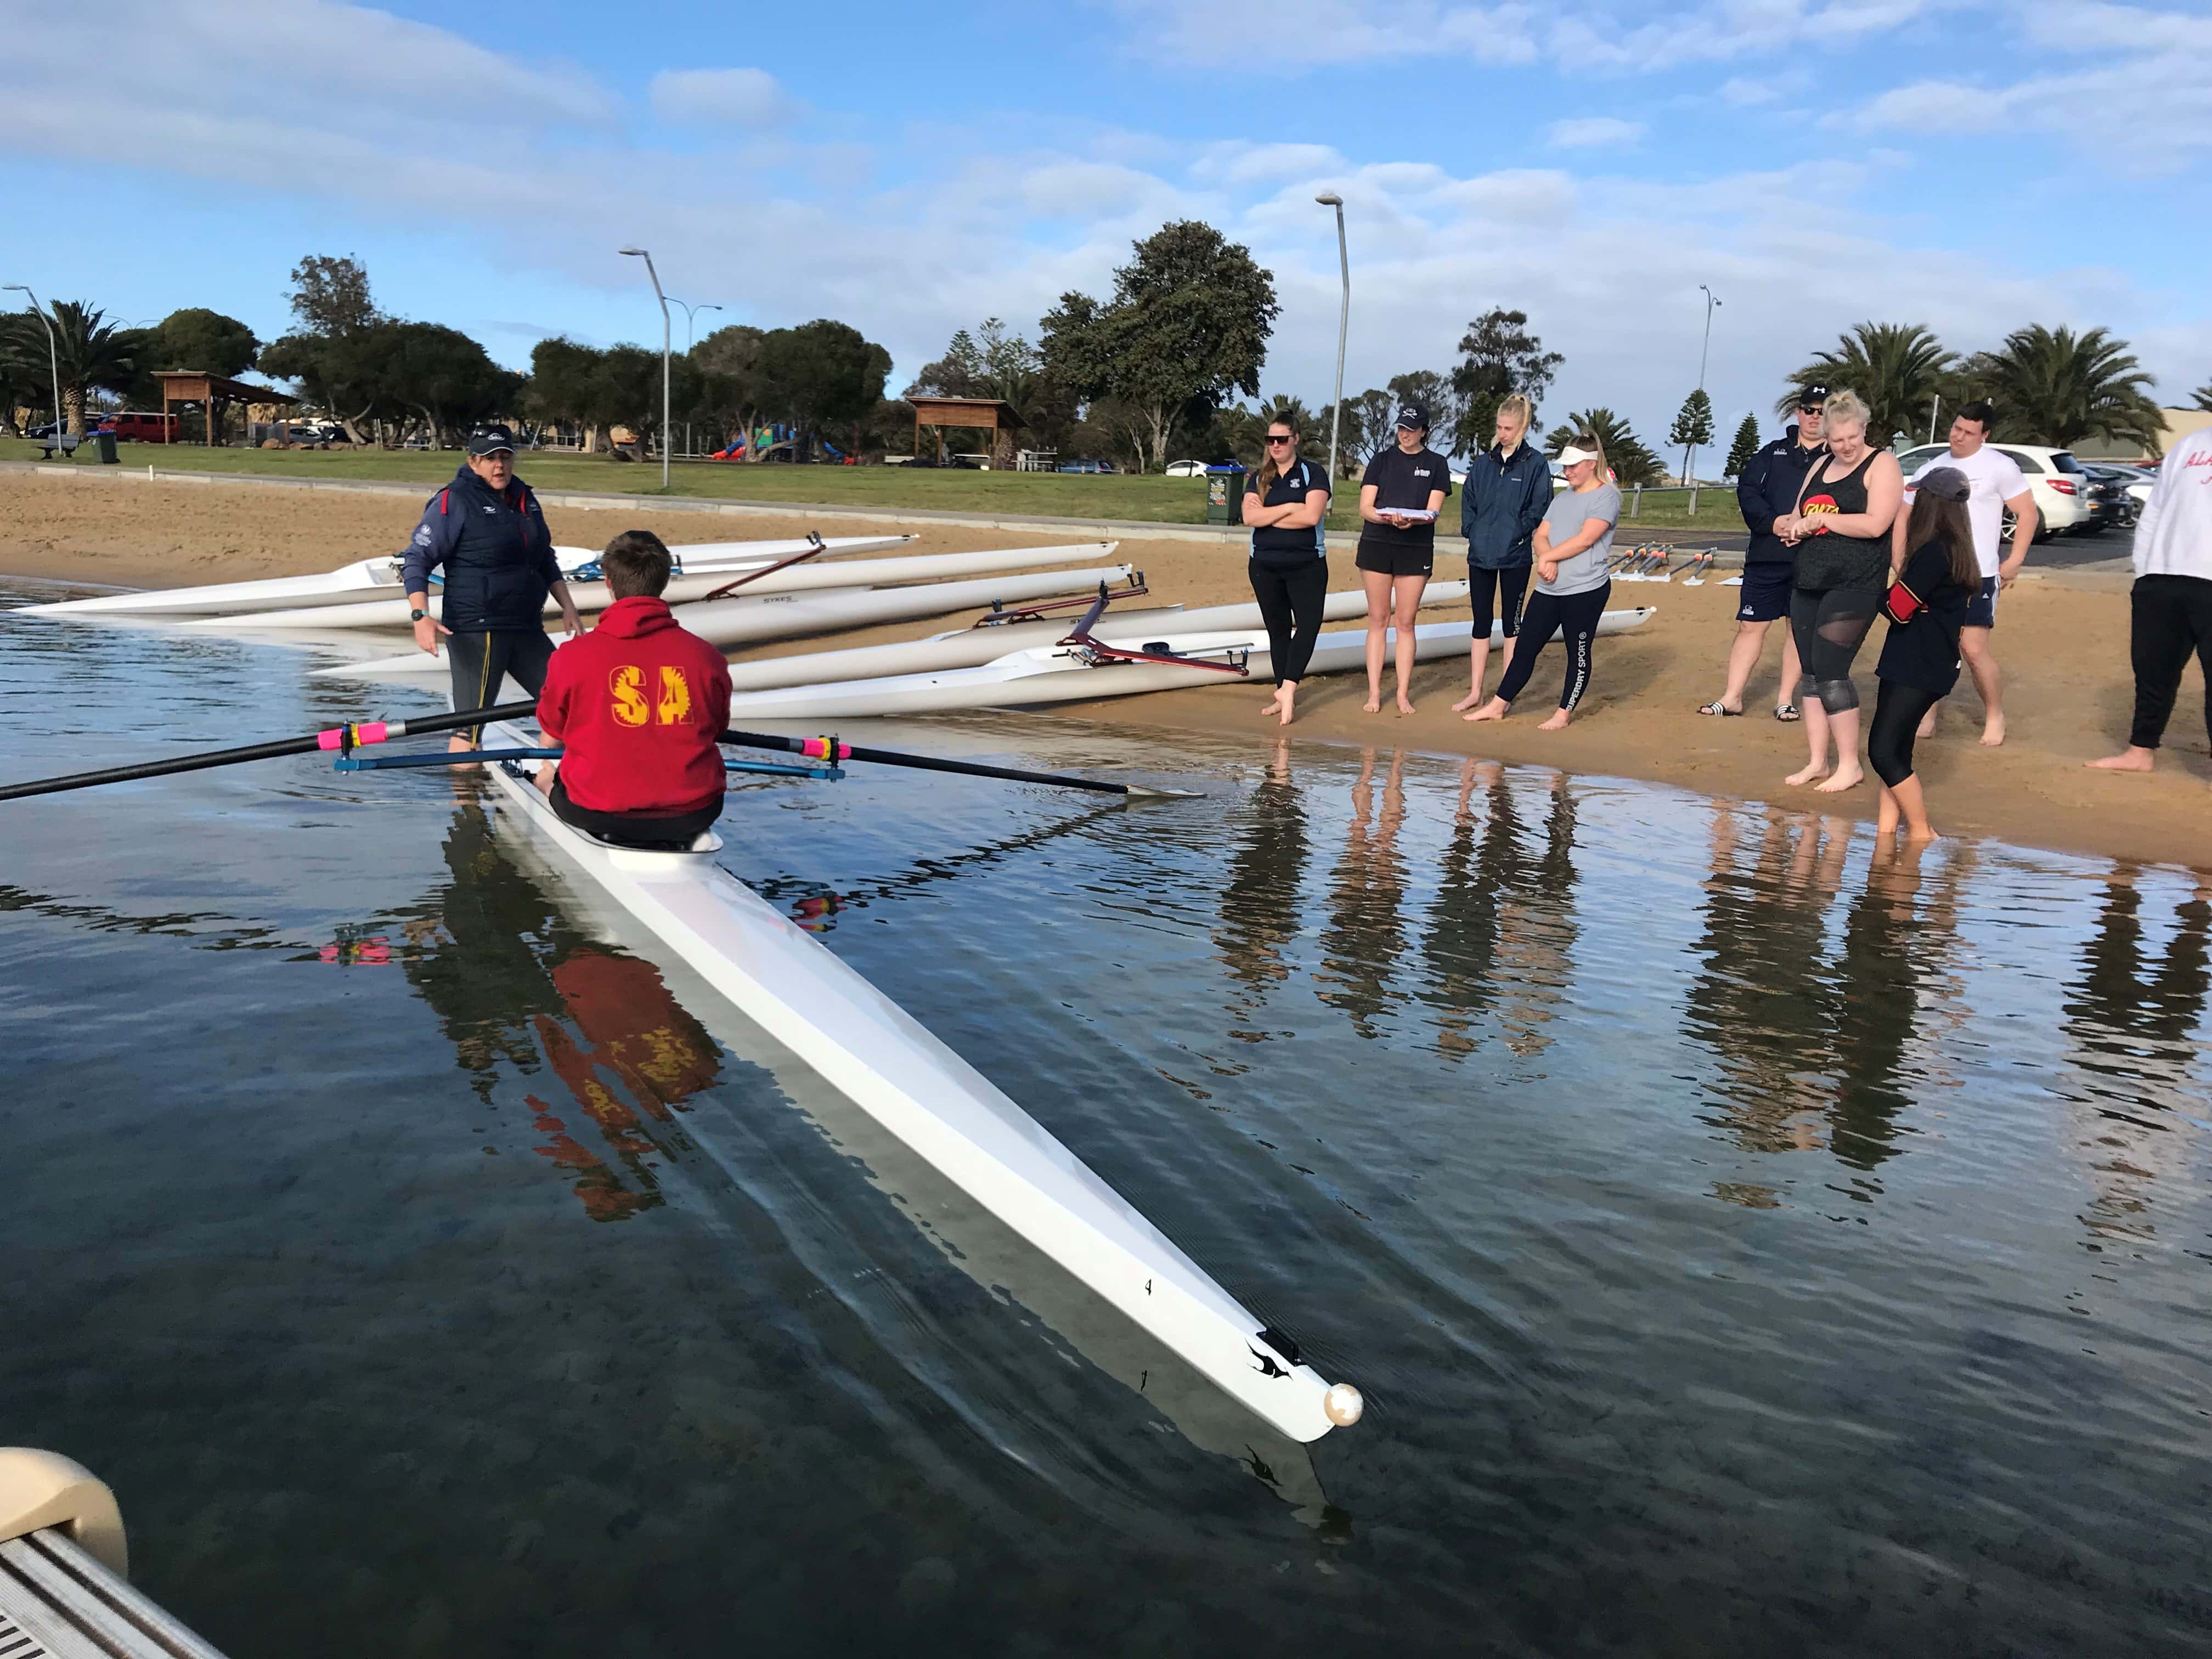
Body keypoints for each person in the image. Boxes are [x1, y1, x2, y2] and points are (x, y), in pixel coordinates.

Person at [532, 531, 733, 850]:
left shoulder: (570, 657)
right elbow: (716, 728)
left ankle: (545, 787)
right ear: (664, 582)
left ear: (608, 583)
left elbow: (552, 733)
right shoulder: (708, 658)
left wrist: (550, 772)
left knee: (546, 771)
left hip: (597, 813)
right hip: (693, 814)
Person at [402, 425, 584, 750]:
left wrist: (568, 606)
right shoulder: (454, 501)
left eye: (505, 458)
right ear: (473, 463)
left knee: (569, 709)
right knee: (469, 731)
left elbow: (544, 557)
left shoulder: (526, 499)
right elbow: (417, 559)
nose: (499, 466)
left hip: (525, 627)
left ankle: (550, 776)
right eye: (489, 459)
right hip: (477, 629)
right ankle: (466, 796)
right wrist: (420, 615)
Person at [1771, 389, 1903, 793]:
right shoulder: (1820, 466)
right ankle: (1817, 761)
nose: (1845, 446)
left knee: (1831, 670)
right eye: (1837, 439)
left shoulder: (1883, 464)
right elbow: (1799, 513)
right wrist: (1790, 528)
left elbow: (1877, 523)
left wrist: (1819, 523)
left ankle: (1850, 764)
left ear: (1864, 429)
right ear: (1825, 436)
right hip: (1809, 578)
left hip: (1856, 581)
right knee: (1809, 675)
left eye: (1852, 437)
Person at [1894, 401, 2036, 746]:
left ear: (1984, 435)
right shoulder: (1932, 468)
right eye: (1956, 428)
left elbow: (2027, 513)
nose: (1958, 436)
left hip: (1979, 573)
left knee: (1972, 648)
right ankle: (1926, 716)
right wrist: (1901, 565)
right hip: (1933, 574)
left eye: (1968, 432)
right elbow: (1903, 517)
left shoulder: (2000, 467)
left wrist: (2015, 559)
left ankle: (1994, 714)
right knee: (1931, 645)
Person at [1463, 432, 1620, 730]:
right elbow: (1541, 534)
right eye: (1566, 466)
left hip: (1585, 589)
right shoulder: (1563, 497)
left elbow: (1586, 539)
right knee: (1525, 647)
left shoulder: (1607, 496)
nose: (1568, 471)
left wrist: (1548, 559)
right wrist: (1546, 557)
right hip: (1550, 588)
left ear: (1592, 463)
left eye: (1574, 466)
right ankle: (1498, 704)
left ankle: (1563, 713)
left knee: (1578, 651)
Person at [2087, 422, 2212, 777]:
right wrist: (2144, 571)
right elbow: (2155, 510)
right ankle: (2140, 751)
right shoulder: (2189, 446)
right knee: (2153, 673)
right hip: (2162, 577)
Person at [1699, 383, 1826, 720]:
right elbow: (1749, 492)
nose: (1815, 417)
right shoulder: (1772, 453)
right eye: (1809, 410)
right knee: (1751, 625)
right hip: (1768, 555)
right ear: (1798, 413)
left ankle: (1785, 700)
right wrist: (1775, 523)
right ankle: (1732, 698)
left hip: (1813, 556)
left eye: (1822, 411)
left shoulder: (1837, 459)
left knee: (1796, 628)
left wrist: (1807, 528)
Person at [1867, 466, 1978, 843]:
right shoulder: (1956, 547)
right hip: (1926, 660)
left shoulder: (1935, 552)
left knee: (1882, 751)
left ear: (1930, 504)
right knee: (1898, 750)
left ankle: (1920, 830)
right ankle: (1886, 834)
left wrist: (1880, 595)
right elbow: (1908, 604)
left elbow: (1898, 607)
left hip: (1916, 662)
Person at [1452, 393, 1551, 713]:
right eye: (1499, 427)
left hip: (1516, 557)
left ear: (1522, 427)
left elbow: (1539, 508)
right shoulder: (1483, 464)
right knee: (1481, 622)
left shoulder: (1536, 464)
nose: (1503, 434)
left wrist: (1518, 532)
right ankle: (1476, 691)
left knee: (1512, 624)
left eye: (1509, 428)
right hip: (1480, 554)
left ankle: (1504, 696)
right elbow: (1468, 500)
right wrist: (1473, 531)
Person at [1356, 405, 1452, 714]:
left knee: (1406, 622)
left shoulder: (1437, 463)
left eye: (1411, 429)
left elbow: (1433, 509)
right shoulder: (1381, 460)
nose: (1405, 434)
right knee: (1378, 619)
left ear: (1424, 430)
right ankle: (1374, 693)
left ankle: (1402, 693)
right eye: (1401, 428)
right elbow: (1366, 507)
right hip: (1377, 543)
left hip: (1416, 547)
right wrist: (1385, 519)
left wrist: (1415, 521)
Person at [1241, 414, 1332, 726]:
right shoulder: (1259, 477)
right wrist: (1291, 507)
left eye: (1281, 439)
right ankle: (1282, 692)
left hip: (1307, 564)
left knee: (1309, 625)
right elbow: (1250, 519)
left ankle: (1289, 687)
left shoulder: (1313, 473)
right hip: (1264, 565)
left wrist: (1269, 515)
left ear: (1295, 439)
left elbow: (1311, 517)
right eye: (1270, 440)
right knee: (1277, 631)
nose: (1275, 446)